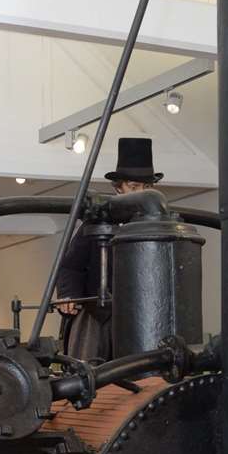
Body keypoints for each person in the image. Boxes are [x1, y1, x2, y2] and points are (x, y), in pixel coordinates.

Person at [56, 137, 162, 360]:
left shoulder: (160, 227)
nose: (140, 193)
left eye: (147, 188)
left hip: (146, 317)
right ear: (119, 188)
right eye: (134, 187)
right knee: (88, 370)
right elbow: (71, 266)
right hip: (98, 316)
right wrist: (68, 296)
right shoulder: (96, 223)